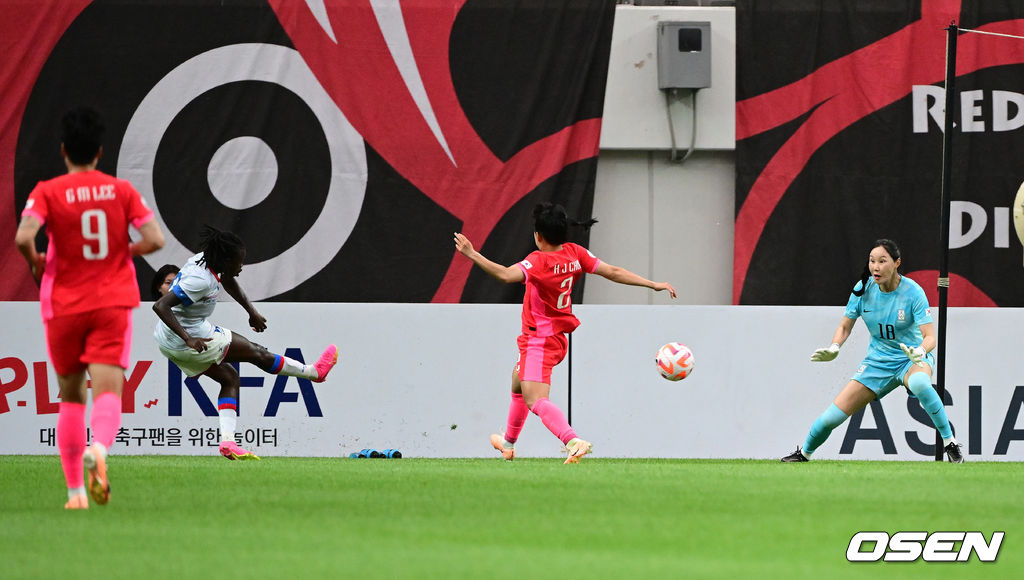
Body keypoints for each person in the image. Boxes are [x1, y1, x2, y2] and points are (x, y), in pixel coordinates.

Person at [14, 106, 166, 509]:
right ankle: (99, 448)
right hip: (111, 300)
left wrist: (35, 259)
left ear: (64, 151)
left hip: (64, 302)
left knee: (70, 396)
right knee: (109, 391)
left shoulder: (46, 191)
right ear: (99, 152)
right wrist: (123, 250)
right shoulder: (121, 191)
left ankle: (75, 493)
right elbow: (155, 239)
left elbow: (23, 235)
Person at [454, 202, 677, 463]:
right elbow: (613, 272)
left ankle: (572, 441)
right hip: (556, 339)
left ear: (538, 236)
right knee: (517, 382)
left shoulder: (538, 262)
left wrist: (472, 254)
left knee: (535, 399)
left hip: (538, 340)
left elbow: (504, 275)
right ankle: (508, 443)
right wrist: (653, 285)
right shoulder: (575, 253)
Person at [152, 225, 338, 460]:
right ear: (225, 259)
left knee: (230, 378)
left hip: (169, 339)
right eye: (239, 262)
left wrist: (251, 310)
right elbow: (160, 305)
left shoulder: (208, 261)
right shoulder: (200, 280)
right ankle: (314, 373)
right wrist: (189, 339)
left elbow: (227, 279)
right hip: (188, 336)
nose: (241, 267)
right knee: (257, 353)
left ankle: (228, 443)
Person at [782, 239, 964, 463]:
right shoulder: (862, 289)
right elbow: (844, 326)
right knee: (830, 418)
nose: (875, 267)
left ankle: (950, 443)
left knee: (919, 384)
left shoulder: (913, 292)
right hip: (877, 363)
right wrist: (834, 347)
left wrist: (920, 351)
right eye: (872, 261)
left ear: (897, 263)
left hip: (911, 358)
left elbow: (930, 337)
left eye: (882, 261)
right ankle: (804, 454)